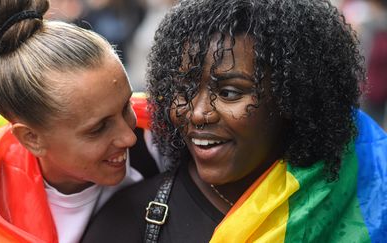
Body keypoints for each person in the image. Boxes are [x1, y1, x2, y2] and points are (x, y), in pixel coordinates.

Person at [82, 0, 387, 242]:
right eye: (184, 88)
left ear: (293, 96)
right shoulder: (129, 220)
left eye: (229, 92)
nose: (198, 112)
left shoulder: (364, 199)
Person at [0, 0, 145, 242]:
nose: (129, 136)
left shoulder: (164, 144)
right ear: (31, 139)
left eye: (126, 106)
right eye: (98, 129)